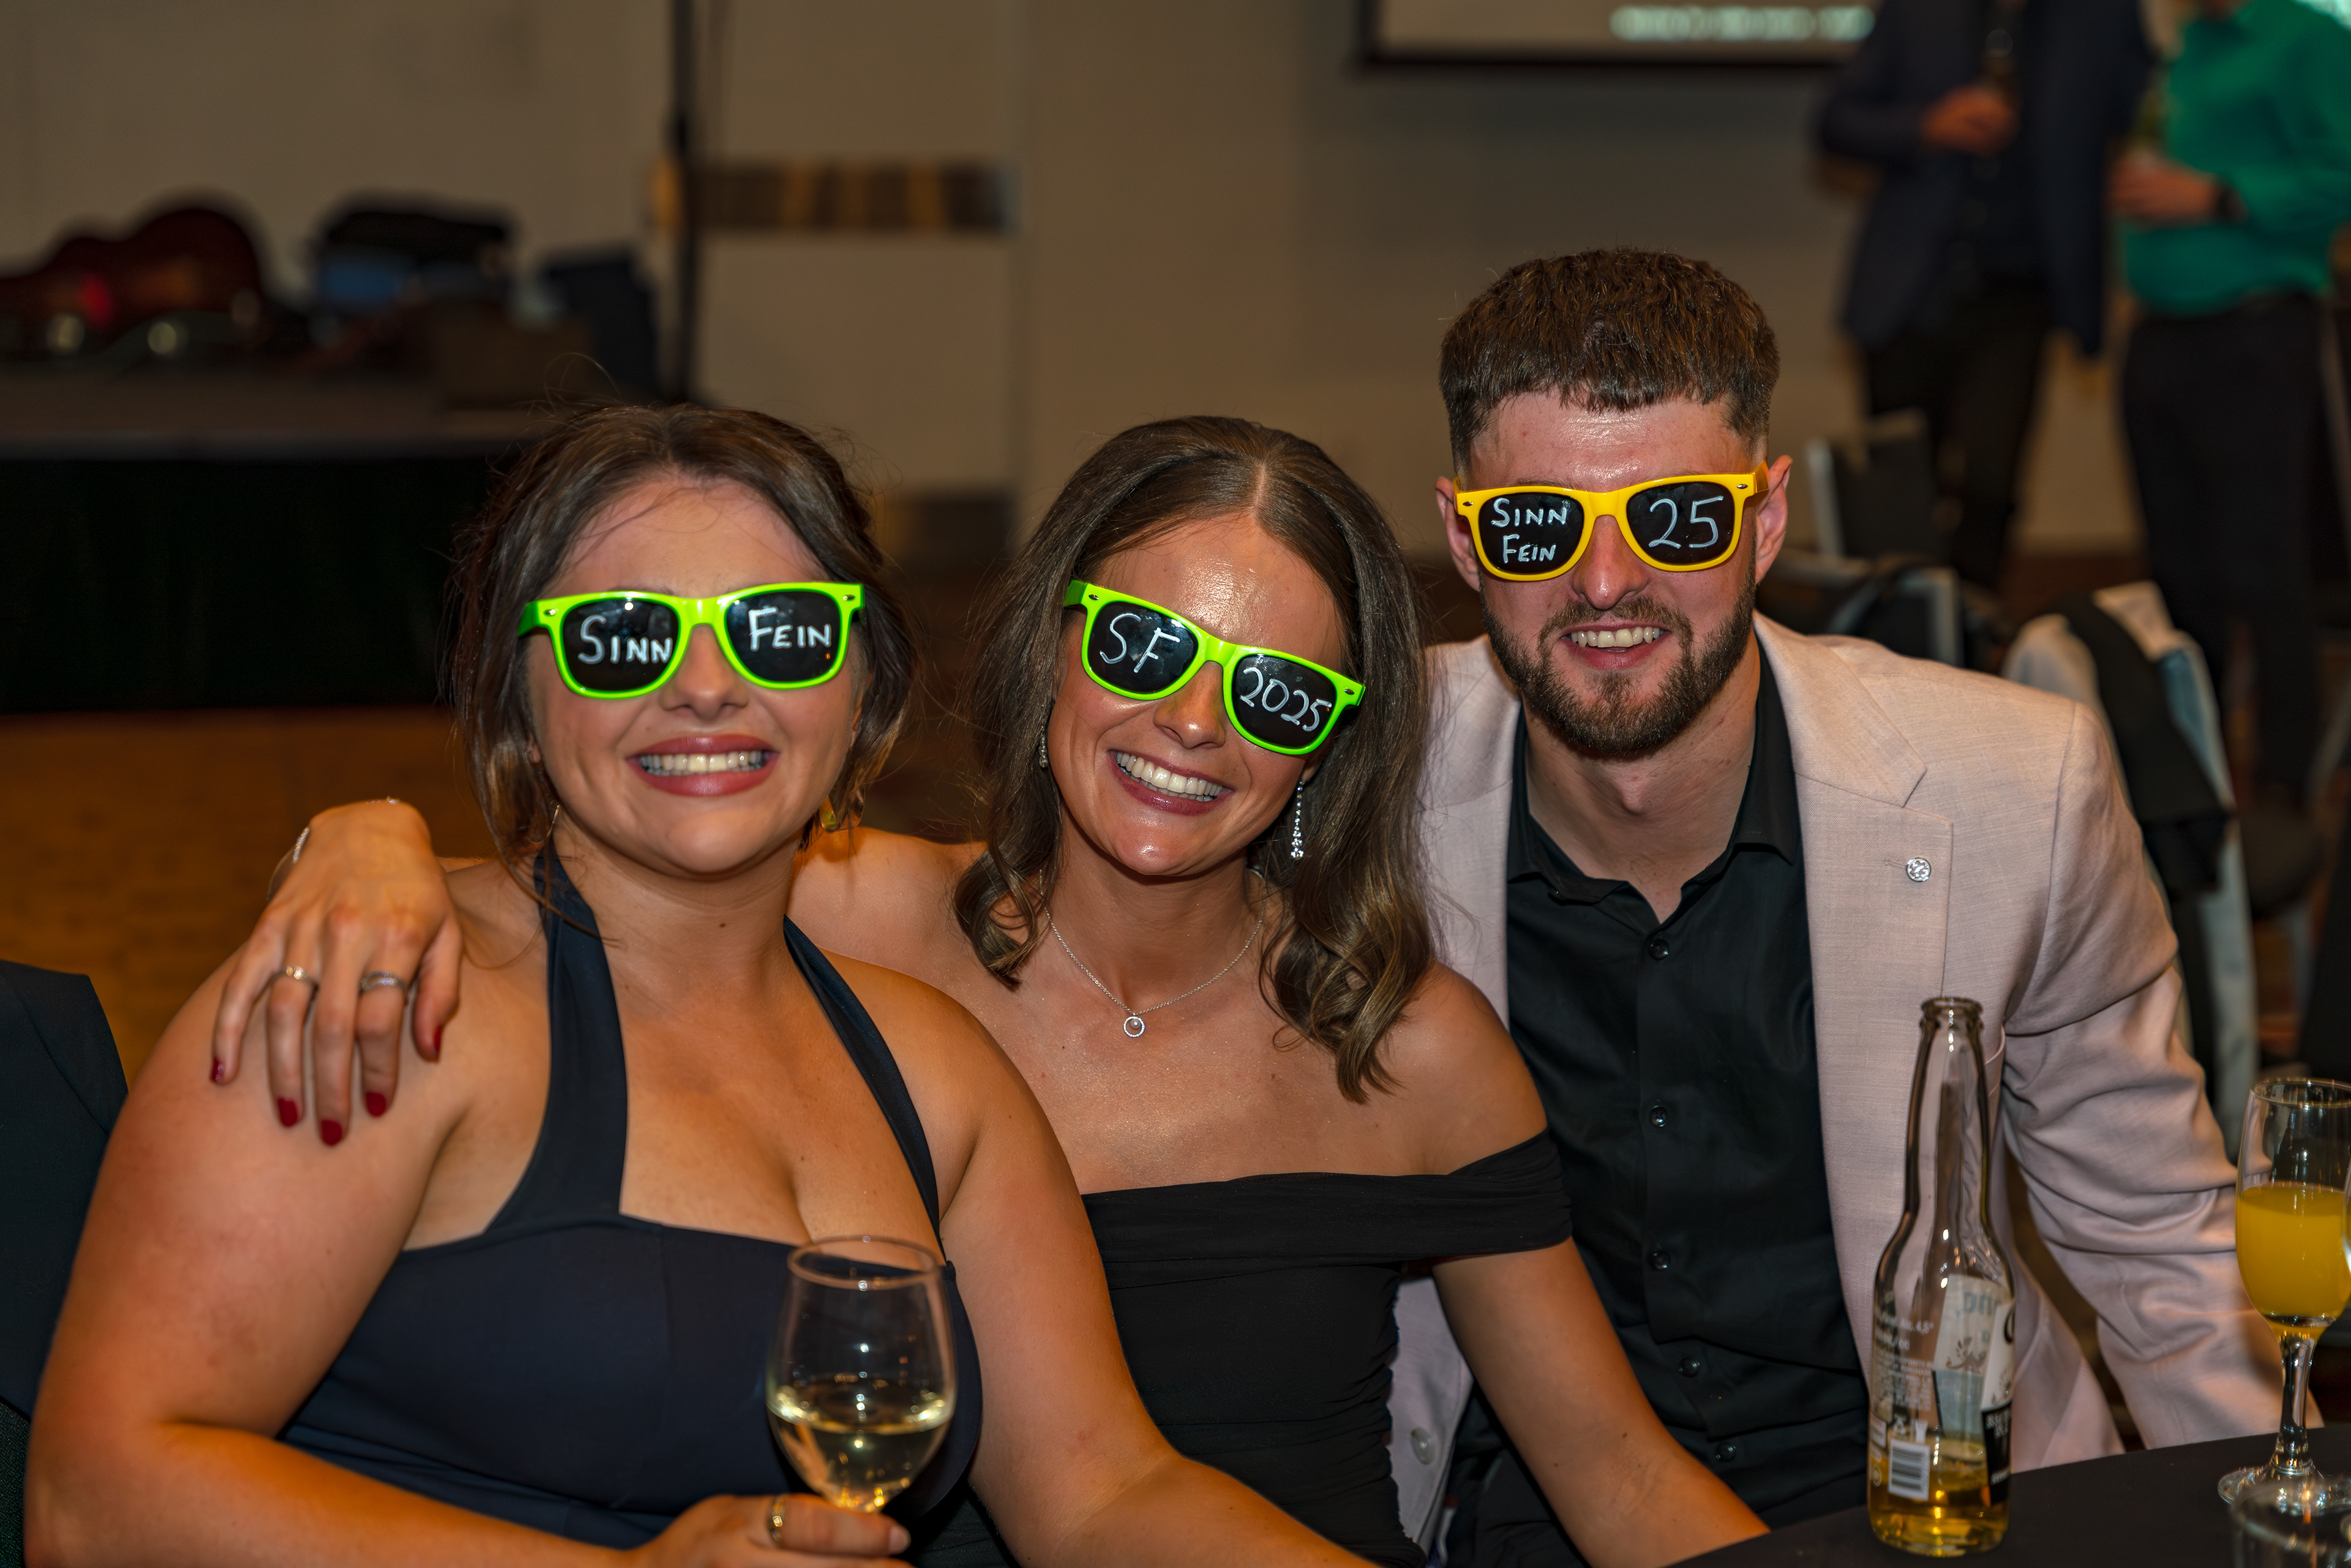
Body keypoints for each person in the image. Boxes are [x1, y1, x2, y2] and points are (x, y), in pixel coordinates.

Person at [195, 416, 1765, 1568]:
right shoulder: (853, 920)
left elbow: (1604, 1465)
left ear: (1326, 748)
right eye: (1141, 644)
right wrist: (357, 834)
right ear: (1051, 645)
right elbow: (598, 859)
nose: (1194, 719)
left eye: (1274, 690)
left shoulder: (1405, 1043)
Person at [26, 405, 1380, 1568]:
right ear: (518, 692)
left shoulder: (938, 1076)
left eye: (781, 632)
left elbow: (1105, 1492)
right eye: (626, 638)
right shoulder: (384, 995)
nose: (708, 688)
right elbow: (96, 1497)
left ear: (864, 688)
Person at [1415, 250, 2281, 1562]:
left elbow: (2153, 1230)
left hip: (1925, 1488)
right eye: (1539, 526)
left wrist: (2271, 1526)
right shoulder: (1364, 783)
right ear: (1464, 534)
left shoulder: (2016, 782)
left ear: (1764, 522)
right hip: (1529, 1500)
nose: (1604, 584)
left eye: (1677, 520)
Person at [2110, 0, 2351, 819]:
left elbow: (2340, 173)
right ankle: (2196, 775)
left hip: (2254, 333)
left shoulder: (2308, 39)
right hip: (2160, 335)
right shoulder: (2190, 48)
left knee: (2263, 565)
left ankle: (2286, 780)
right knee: (2180, 573)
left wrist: (2218, 197)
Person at [1817, 0, 2150, 590]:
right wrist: (1924, 127)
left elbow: (2149, 115)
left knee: (1990, 483)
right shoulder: (1919, 9)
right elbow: (1836, 121)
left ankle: (1972, 629)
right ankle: (1900, 629)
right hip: (1911, 293)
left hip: (2017, 294)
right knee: (1899, 489)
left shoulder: (2102, 14)